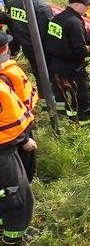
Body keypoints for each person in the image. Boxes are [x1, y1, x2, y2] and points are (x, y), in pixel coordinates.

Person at [44, 0, 90, 125]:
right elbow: (80, 51)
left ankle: (67, 117)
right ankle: (86, 122)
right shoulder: (75, 22)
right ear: (77, 5)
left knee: (63, 92)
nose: (88, 8)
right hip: (73, 68)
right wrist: (89, 47)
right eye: (86, 5)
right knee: (82, 95)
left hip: (55, 64)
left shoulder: (57, 18)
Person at [0, 77, 35, 245]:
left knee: (8, 195)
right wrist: (23, 139)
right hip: (3, 152)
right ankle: (13, 239)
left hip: (6, 147)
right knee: (17, 197)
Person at [0, 32, 37, 182]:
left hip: (22, 127)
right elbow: (8, 114)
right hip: (15, 137)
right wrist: (24, 140)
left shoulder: (7, 70)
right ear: (4, 49)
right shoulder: (5, 76)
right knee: (21, 171)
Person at [4, 0, 52, 85]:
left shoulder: (14, 1)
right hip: (40, 49)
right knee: (47, 76)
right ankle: (49, 99)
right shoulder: (43, 8)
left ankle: (42, 96)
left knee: (37, 72)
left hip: (25, 46)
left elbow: (11, 23)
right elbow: (47, 33)